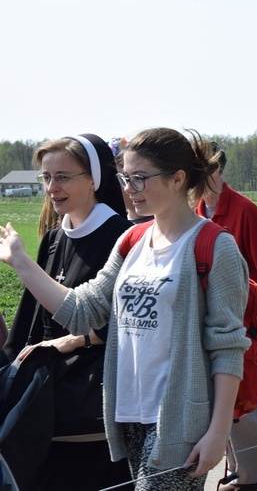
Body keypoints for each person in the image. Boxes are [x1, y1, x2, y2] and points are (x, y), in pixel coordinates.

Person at [0, 127, 250, 490]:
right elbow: (83, 310)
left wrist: (217, 431)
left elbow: (228, 347)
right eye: (124, 178)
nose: (128, 189)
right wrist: (22, 263)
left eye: (139, 179)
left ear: (178, 179)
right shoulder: (131, 240)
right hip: (128, 413)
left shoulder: (215, 246)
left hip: (179, 417)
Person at [0, 134, 132, 490]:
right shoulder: (54, 239)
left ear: (93, 179)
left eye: (62, 176)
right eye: (46, 177)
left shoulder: (123, 237)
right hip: (46, 392)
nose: (51, 187)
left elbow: (125, 322)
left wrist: (71, 342)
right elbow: (30, 322)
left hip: (91, 400)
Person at [195, 142, 257, 491]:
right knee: (219, 401)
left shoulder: (245, 211)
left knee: (246, 399)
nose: (206, 179)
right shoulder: (193, 210)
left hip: (249, 325)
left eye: (211, 171)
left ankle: (253, 478)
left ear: (220, 171)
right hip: (208, 325)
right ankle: (235, 470)